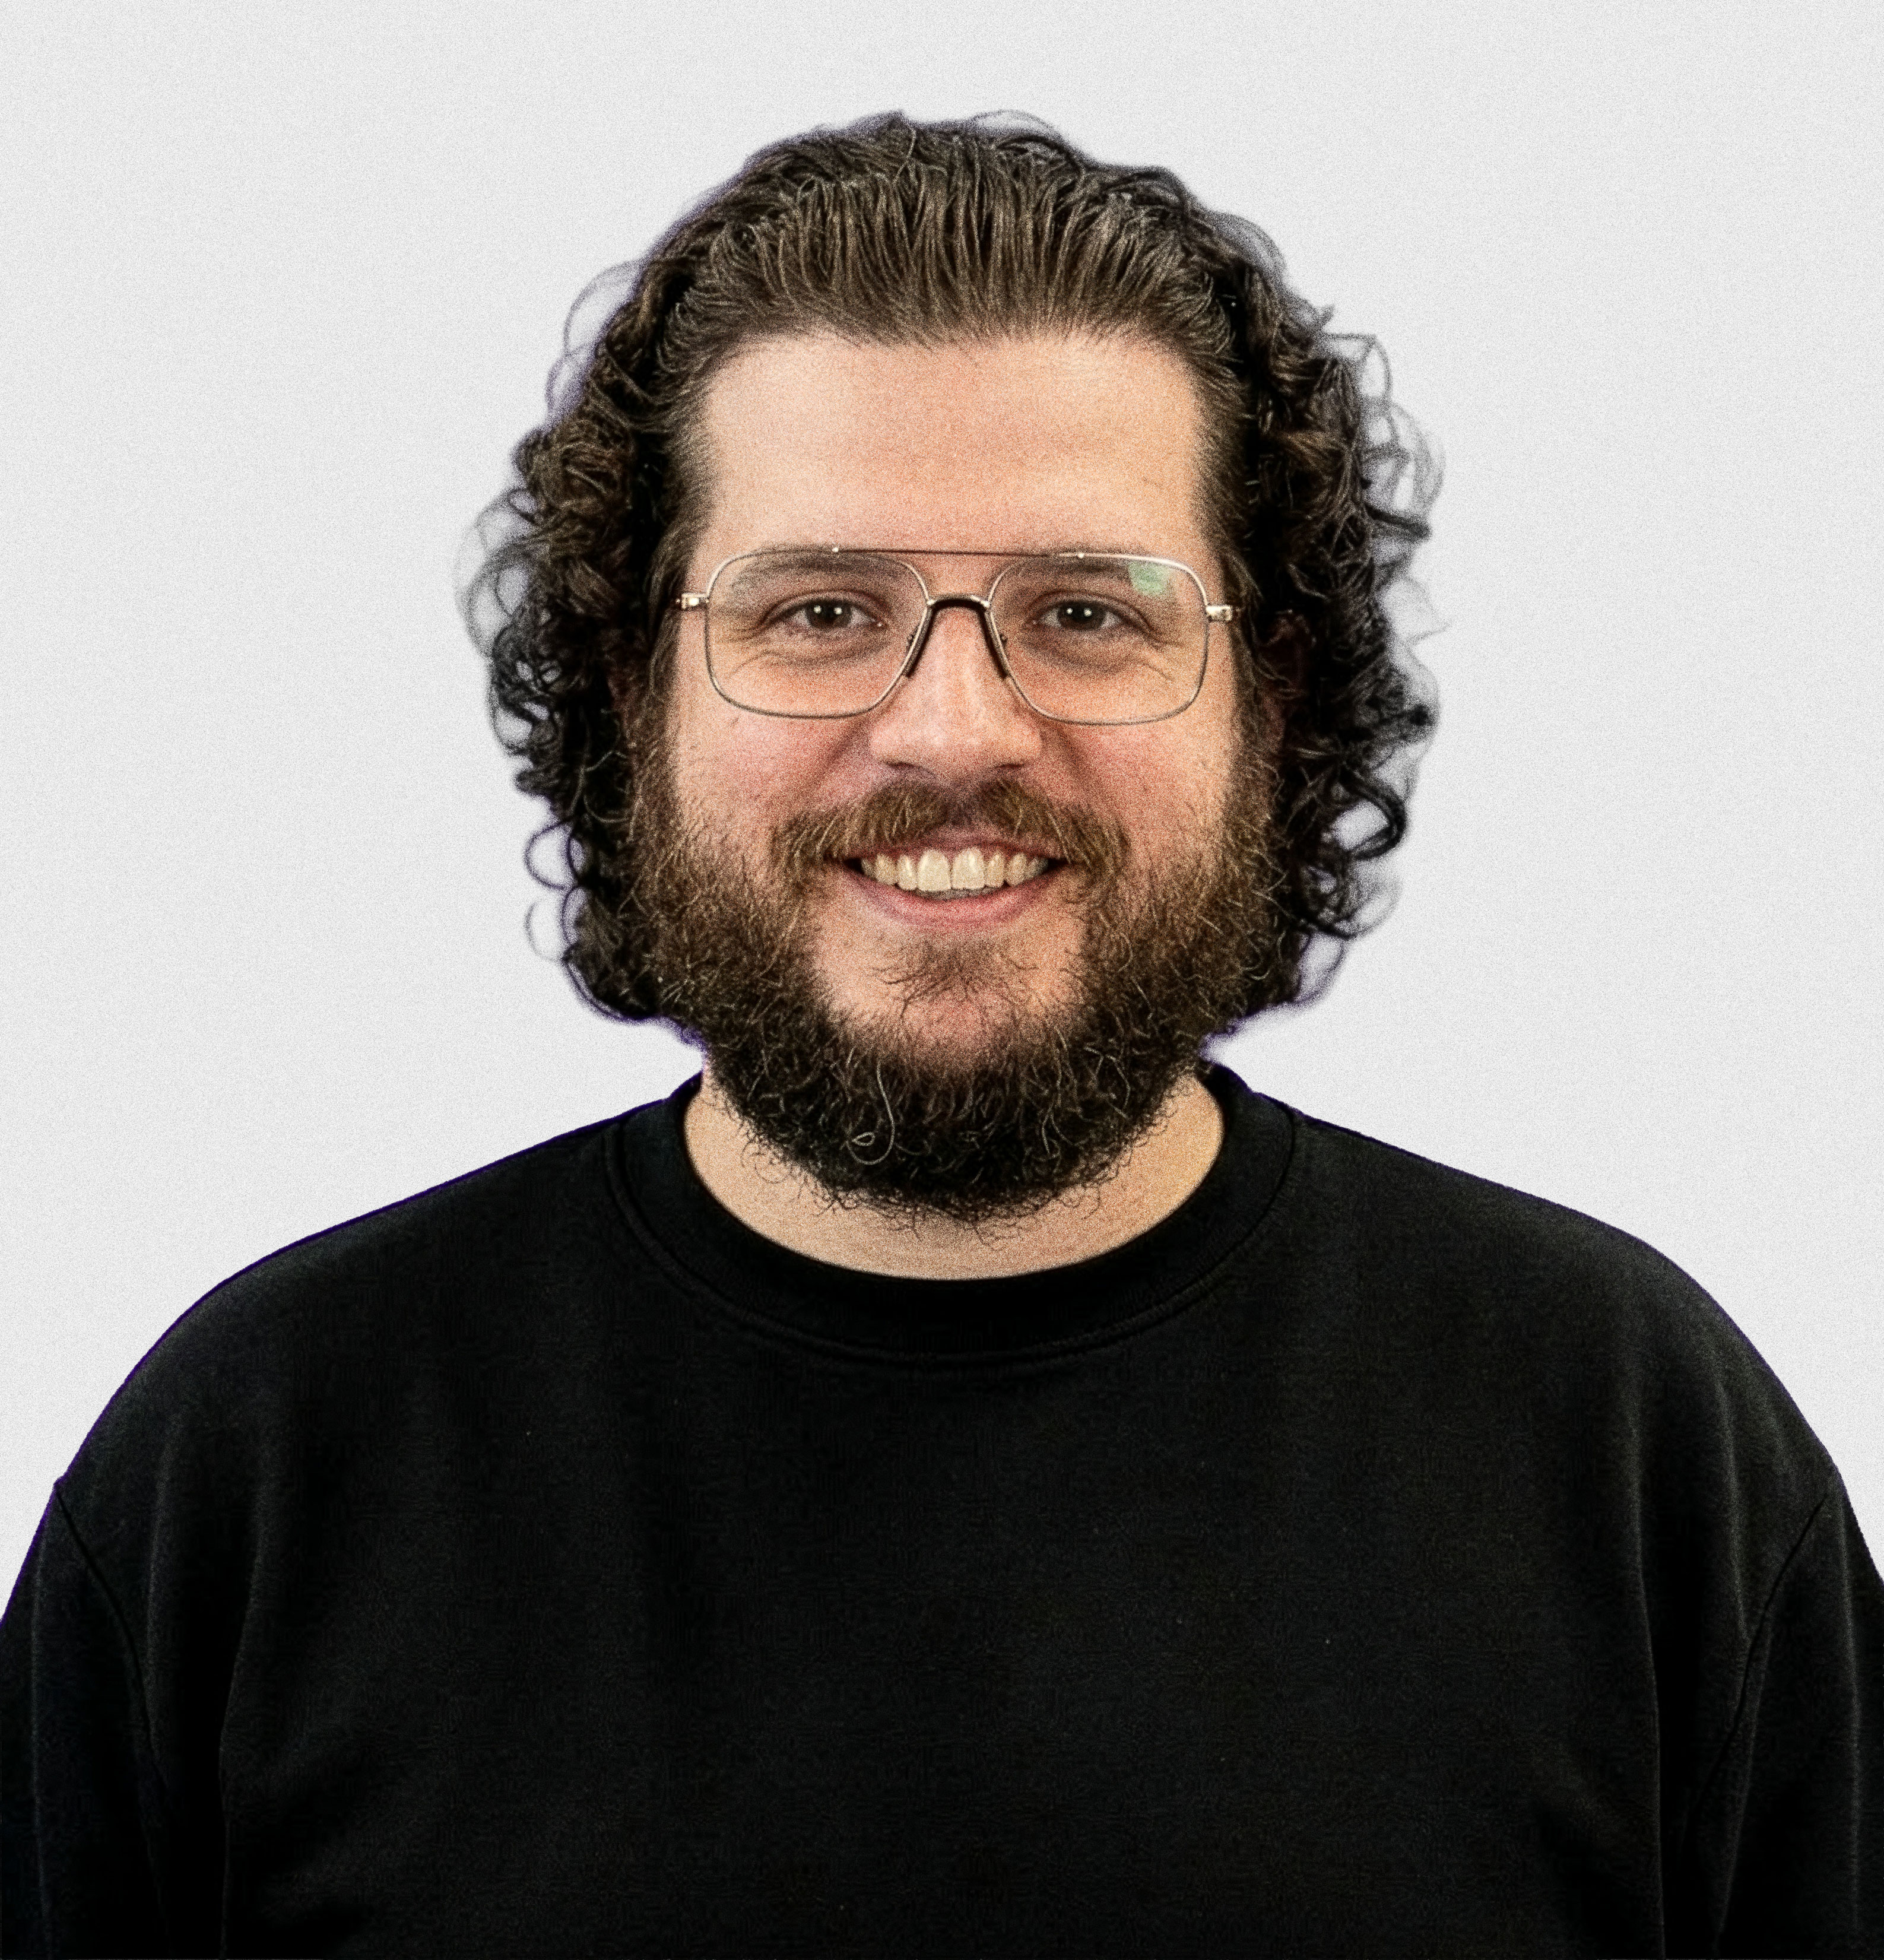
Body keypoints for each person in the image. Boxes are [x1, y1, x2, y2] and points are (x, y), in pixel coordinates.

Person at [3, 111, 1878, 1958]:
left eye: (1087, 613)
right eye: (822, 611)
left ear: (1271, 697)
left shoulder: (1633, 1454)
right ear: (631, 695)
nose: (955, 728)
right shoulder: (259, 1470)